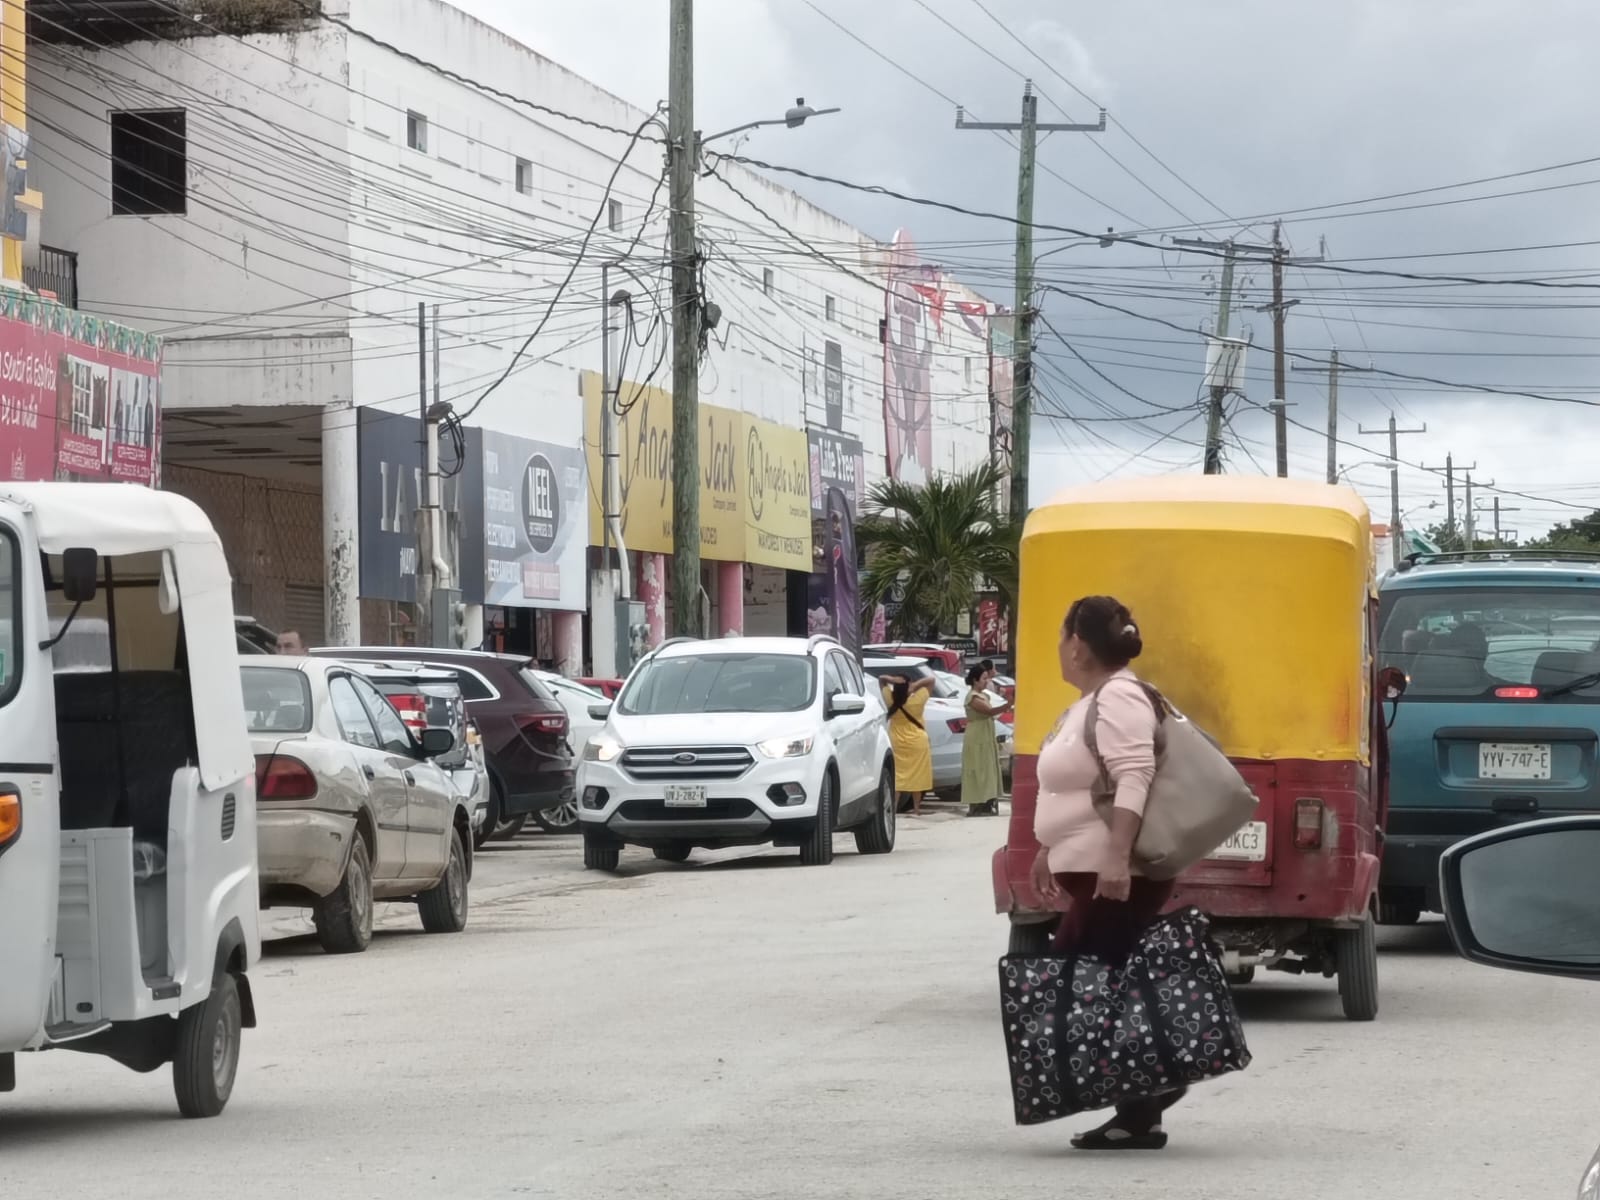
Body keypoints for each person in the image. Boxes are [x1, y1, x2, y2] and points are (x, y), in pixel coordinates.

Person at [1028, 594, 1186, 1151]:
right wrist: (1048, 845)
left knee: (1079, 983)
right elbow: (1081, 786)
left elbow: (1133, 776)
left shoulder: (1119, 696)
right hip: (1098, 870)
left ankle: (1156, 1088)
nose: (1058, 647)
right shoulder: (1092, 700)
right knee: (1107, 985)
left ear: (1077, 644)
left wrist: (1116, 857)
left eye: (1061, 635)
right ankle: (1143, 1108)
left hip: (1118, 876)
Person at [880, 672, 935, 816]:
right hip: (917, 741)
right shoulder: (917, 700)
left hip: (896, 741)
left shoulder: (890, 700)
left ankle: (893, 808)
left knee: (897, 776)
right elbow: (931, 680)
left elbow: (881, 680)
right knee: (917, 776)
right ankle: (916, 809)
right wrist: (915, 686)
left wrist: (891, 679)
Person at [961, 659, 1010, 816]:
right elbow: (989, 711)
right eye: (983, 678)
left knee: (988, 768)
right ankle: (978, 804)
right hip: (977, 736)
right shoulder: (973, 697)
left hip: (986, 734)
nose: (986, 681)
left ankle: (988, 802)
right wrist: (1008, 704)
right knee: (978, 768)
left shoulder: (983, 695)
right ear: (975, 680)